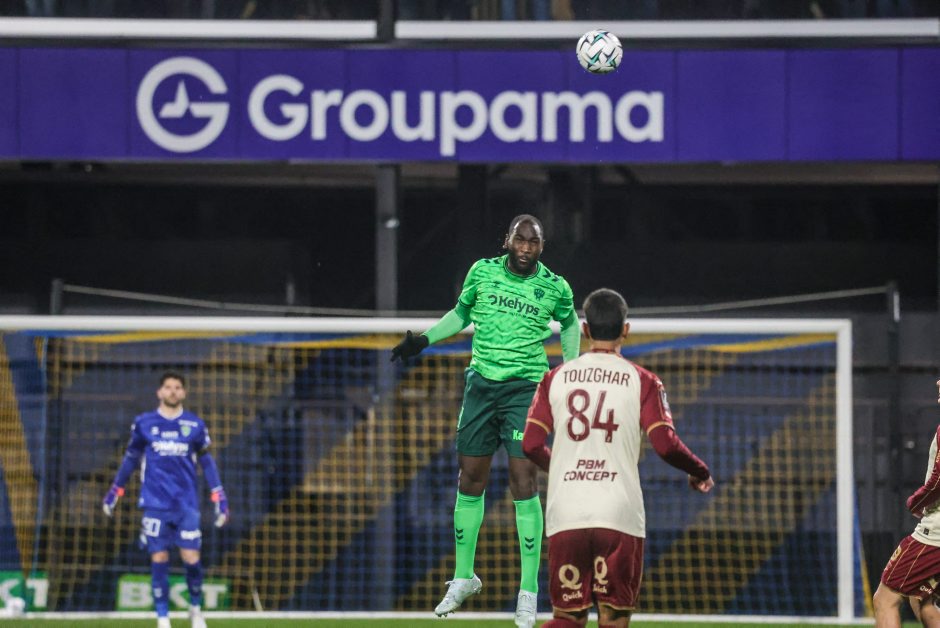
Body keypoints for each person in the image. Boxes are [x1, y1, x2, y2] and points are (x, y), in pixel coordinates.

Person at [391, 214, 581, 627]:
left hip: (525, 389)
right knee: (470, 479)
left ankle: (528, 593)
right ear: (507, 240)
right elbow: (461, 315)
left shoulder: (555, 286)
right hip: (480, 387)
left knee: (523, 481)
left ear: (542, 246)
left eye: (534, 241)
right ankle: (464, 577)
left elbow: (569, 324)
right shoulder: (481, 272)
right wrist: (423, 340)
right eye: (520, 239)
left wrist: (570, 371)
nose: (526, 247)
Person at [522, 288, 714, 628]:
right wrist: (699, 470)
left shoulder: (554, 378)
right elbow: (666, 445)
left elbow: (531, 444)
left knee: (568, 617)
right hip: (618, 512)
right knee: (613, 618)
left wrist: (563, 467)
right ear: (626, 330)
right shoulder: (643, 381)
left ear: (584, 330)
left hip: (567, 509)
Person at [102, 371, 230, 628]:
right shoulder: (144, 423)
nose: (173, 391)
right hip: (155, 504)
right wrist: (115, 490)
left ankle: (195, 609)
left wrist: (219, 495)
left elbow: (206, 461)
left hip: (186, 504)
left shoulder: (194, 425)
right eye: (168, 387)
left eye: (178, 387)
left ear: (184, 392)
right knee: (159, 558)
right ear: (159, 392)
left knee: (191, 558)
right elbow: (131, 459)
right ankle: (163, 618)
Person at [873, 378, 940, 628]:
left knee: (885, 598)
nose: (938, 381)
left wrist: (916, 503)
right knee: (922, 600)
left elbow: (938, 480)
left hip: (935, 535)